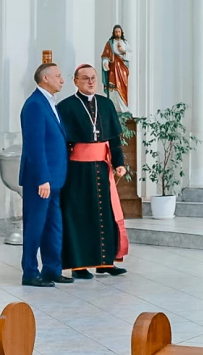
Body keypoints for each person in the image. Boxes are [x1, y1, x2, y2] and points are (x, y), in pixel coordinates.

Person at [58, 64, 129, 279]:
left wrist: (119, 162)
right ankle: (79, 266)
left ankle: (105, 263)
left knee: (105, 214)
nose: (90, 82)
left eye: (93, 78)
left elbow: (114, 139)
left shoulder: (105, 104)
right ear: (76, 81)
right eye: (85, 78)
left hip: (102, 166)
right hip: (77, 170)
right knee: (80, 215)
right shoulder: (66, 106)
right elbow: (62, 143)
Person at [18, 63, 72, 287]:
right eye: (58, 76)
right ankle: (30, 271)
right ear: (45, 79)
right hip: (41, 180)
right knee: (36, 225)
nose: (62, 80)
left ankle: (52, 269)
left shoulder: (49, 103)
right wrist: (42, 178)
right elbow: (35, 145)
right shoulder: (34, 105)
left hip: (55, 178)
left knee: (54, 226)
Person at [100, 24, 131, 110]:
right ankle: (114, 108)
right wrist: (105, 63)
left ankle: (123, 108)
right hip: (113, 68)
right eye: (116, 32)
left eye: (119, 32)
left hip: (122, 68)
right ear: (113, 33)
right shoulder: (110, 43)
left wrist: (123, 51)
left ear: (121, 33)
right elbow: (105, 55)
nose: (117, 33)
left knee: (122, 86)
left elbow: (130, 54)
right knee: (113, 87)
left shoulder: (125, 43)